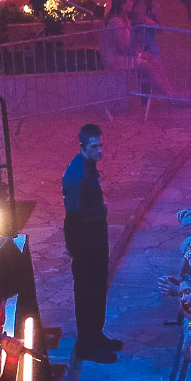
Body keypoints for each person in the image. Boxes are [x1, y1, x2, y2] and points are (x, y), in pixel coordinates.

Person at [62, 124, 121, 363]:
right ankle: (87, 344)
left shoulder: (89, 169)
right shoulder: (78, 175)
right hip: (86, 242)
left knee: (97, 289)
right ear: (83, 146)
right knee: (87, 293)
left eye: (101, 145)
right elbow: (72, 216)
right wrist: (74, 247)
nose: (100, 150)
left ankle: (96, 335)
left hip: (96, 237)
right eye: (94, 146)